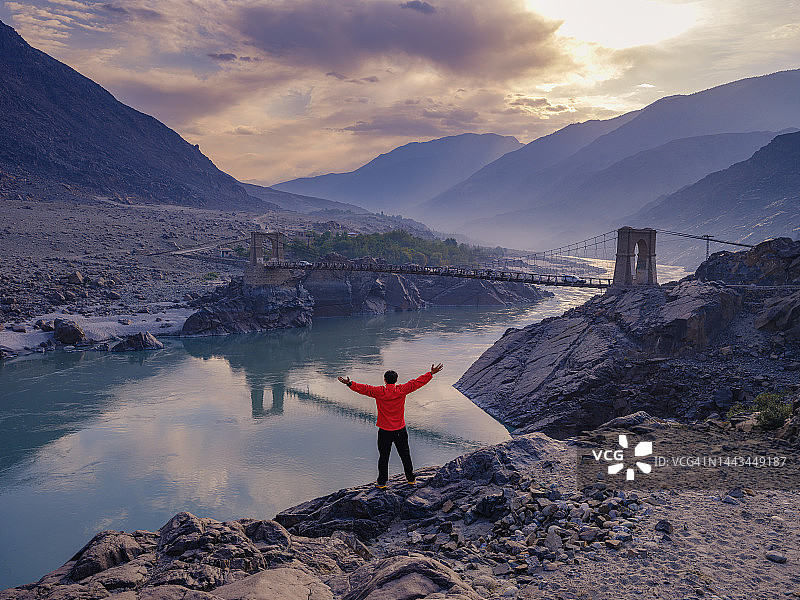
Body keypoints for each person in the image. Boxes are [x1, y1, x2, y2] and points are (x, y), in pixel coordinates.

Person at [339, 363, 444, 489]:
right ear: (396, 380)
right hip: (400, 429)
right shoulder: (402, 389)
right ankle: (410, 479)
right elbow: (416, 383)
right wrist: (431, 373)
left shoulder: (379, 391)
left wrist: (349, 383)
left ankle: (382, 483)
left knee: (384, 457)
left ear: (384, 380)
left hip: (384, 431)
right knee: (405, 455)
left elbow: (364, 388)